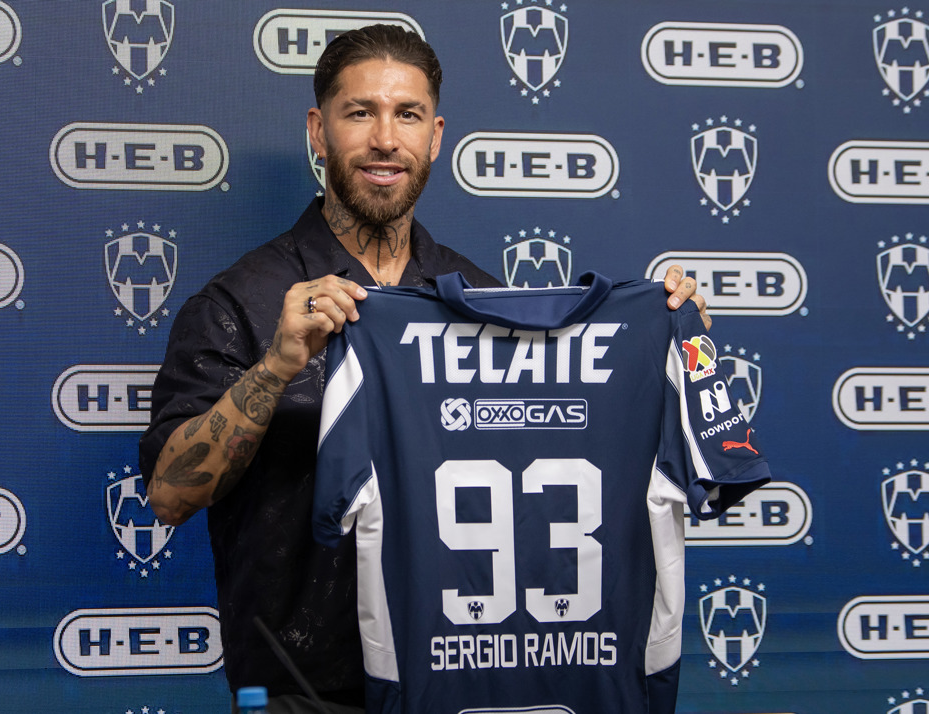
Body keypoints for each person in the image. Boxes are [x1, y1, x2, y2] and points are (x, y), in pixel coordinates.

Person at [138, 24, 707, 714]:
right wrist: (275, 368)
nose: (385, 139)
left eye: (407, 115)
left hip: (466, 679)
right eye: (360, 113)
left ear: (435, 138)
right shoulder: (241, 302)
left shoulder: (486, 302)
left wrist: (663, 331)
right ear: (318, 132)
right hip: (309, 693)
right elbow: (168, 495)